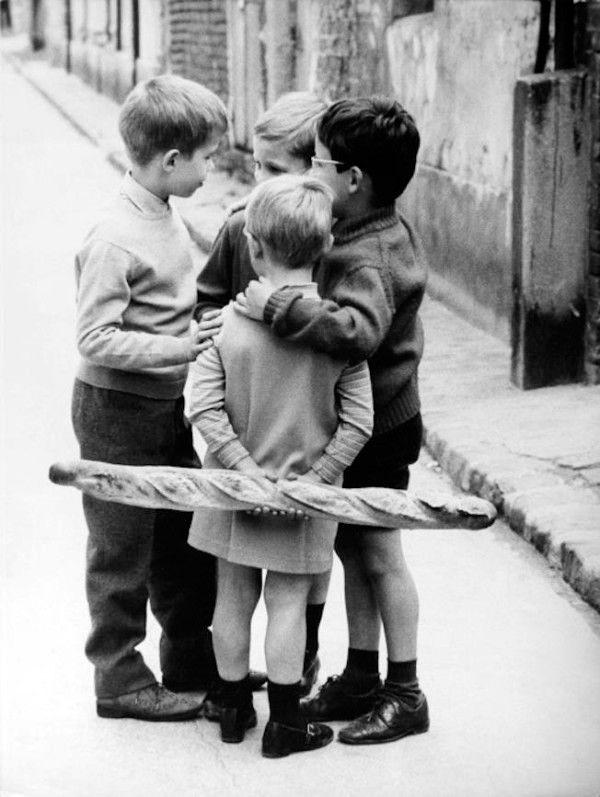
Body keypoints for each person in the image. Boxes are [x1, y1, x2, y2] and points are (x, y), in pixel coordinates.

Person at [236, 97, 429, 745]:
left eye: (316, 163)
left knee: (379, 554)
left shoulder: (367, 255)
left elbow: (359, 332)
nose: (309, 172)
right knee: (353, 549)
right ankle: (363, 674)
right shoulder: (364, 228)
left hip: (379, 430)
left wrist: (281, 307)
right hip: (369, 422)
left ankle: (405, 689)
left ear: (352, 179)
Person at [187, 175, 373, 757]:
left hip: (231, 490)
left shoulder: (227, 328)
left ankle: (231, 705)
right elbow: (359, 422)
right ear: (324, 249)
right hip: (304, 498)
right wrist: (312, 483)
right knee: (289, 602)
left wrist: (245, 472)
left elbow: (204, 406)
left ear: (253, 248)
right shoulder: (335, 332)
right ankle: (287, 724)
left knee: (233, 596)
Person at [71, 74, 229, 721]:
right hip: (115, 412)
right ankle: (118, 676)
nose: (212, 169)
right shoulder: (113, 236)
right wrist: (180, 348)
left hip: (162, 407)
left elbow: (169, 308)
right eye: (208, 158)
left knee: (182, 535)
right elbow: (95, 337)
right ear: (170, 161)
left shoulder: (164, 213)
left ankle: (189, 657)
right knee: (121, 546)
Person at [195, 90, 329, 700]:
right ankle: (279, 704)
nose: (259, 186)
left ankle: (295, 670)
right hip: (262, 449)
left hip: (278, 449)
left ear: (313, 170)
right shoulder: (239, 228)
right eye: (256, 167)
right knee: (269, 592)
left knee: (290, 590)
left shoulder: (329, 239)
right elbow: (207, 304)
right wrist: (213, 331)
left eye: (274, 171)